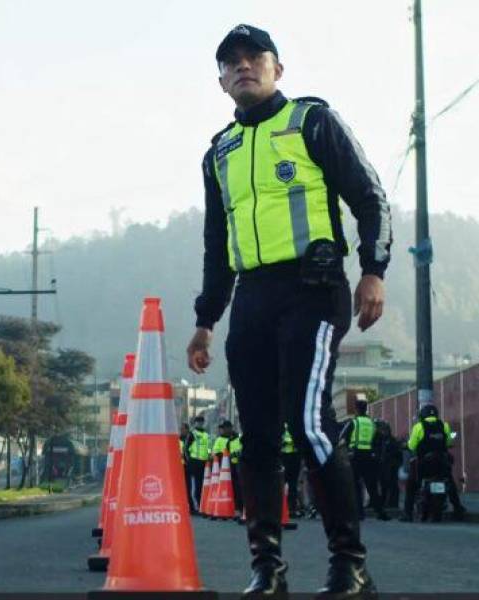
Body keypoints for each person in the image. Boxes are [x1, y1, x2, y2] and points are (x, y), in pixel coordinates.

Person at [186, 24, 391, 597]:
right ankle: (267, 569)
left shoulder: (312, 122)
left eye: (255, 57)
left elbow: (369, 196)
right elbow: (215, 243)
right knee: (255, 437)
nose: (243, 66)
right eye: (231, 62)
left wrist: (373, 270)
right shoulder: (218, 153)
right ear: (221, 80)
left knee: (308, 424)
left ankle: (349, 564)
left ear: (277, 69)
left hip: (312, 288)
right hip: (251, 297)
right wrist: (206, 319)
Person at [401, 404, 467, 522]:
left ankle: (407, 513)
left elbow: (411, 445)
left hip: (424, 464)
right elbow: (448, 442)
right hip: (441, 463)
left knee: (411, 484)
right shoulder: (444, 425)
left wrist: (407, 445)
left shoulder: (419, 426)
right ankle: (458, 508)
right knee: (450, 482)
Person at [342, 400, 390, 520]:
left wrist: (346, 451)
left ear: (357, 409)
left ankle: (359, 513)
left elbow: (342, 437)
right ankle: (380, 512)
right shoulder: (372, 423)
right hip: (369, 456)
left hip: (355, 456)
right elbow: (379, 439)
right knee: (371, 485)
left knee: (355, 485)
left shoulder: (353, 422)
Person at [212, 419, 243, 515]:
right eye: (224, 429)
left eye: (226, 428)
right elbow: (217, 452)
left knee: (238, 486)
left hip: (238, 465)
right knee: (230, 487)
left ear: (230, 428)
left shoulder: (239, 438)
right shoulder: (223, 440)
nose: (224, 430)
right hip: (227, 467)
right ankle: (232, 505)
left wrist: (237, 454)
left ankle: (239, 506)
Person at [185, 414, 211, 514]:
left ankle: (201, 504)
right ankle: (195, 505)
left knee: (201, 484)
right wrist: (189, 460)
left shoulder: (206, 435)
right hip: (194, 461)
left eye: (201, 422)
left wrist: (209, 456)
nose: (200, 424)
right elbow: (186, 449)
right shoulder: (192, 434)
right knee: (194, 484)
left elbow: (209, 447)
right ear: (195, 423)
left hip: (204, 462)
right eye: (198, 422)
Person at [374, 420, 402, 509]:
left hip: (390, 465)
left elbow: (397, 454)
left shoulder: (390, 440)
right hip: (384, 465)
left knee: (391, 485)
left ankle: (392, 503)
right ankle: (385, 503)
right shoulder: (379, 440)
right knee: (384, 485)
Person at [281, 424, 302, 517]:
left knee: (293, 483)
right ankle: (281, 507)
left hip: (294, 457)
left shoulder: (296, 425)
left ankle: (292, 508)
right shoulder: (281, 426)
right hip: (283, 457)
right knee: (282, 482)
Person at [180, 422, 196, 513]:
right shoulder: (180, 438)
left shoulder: (190, 438)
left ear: (187, 429)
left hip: (188, 465)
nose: (181, 431)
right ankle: (185, 506)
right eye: (181, 429)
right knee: (183, 487)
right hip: (181, 466)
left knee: (189, 487)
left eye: (183, 429)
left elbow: (187, 452)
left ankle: (192, 507)